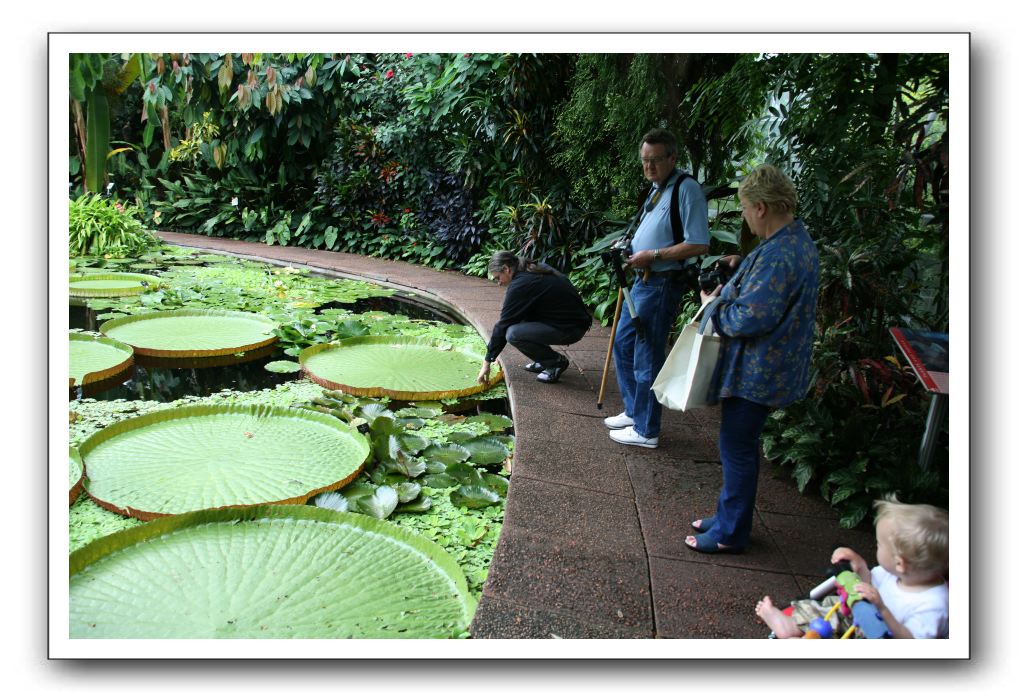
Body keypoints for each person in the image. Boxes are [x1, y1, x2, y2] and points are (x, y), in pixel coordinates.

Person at [685, 164, 819, 553]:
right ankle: (730, 517)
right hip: (771, 364)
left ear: (760, 207)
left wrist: (712, 307)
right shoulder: (792, 241)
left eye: (744, 208)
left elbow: (753, 315)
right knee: (737, 444)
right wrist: (741, 268)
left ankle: (731, 533)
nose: (744, 216)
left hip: (760, 369)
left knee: (737, 446)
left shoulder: (780, 254)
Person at [603, 128, 710, 449]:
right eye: (644, 161)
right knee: (623, 344)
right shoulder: (656, 189)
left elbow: (698, 244)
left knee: (646, 353)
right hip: (642, 281)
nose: (649, 167)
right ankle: (635, 412)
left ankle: (647, 429)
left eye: (656, 160)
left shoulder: (686, 190)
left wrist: (655, 255)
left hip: (662, 283)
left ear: (673, 158)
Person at [755, 497, 949, 639]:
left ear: (900, 563)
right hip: (854, 618)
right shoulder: (894, 574)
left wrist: (882, 609)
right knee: (831, 606)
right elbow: (867, 583)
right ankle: (791, 625)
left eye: (879, 545)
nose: (877, 548)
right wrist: (860, 566)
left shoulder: (933, 605)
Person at [476, 250, 592, 385]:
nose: (499, 283)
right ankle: (544, 360)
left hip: (570, 329)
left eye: (497, 278)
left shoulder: (522, 284)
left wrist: (487, 361)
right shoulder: (530, 268)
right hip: (569, 321)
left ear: (506, 269)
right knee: (518, 315)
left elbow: (503, 324)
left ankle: (555, 363)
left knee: (513, 334)